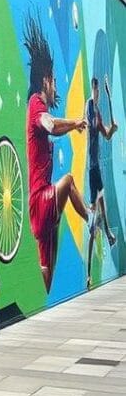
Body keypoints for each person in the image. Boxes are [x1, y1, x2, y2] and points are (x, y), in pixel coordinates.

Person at [23, 14, 92, 292]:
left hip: (42, 211)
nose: (55, 86)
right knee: (69, 182)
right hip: (40, 201)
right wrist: (75, 122)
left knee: (46, 277)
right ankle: (91, 217)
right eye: (53, 80)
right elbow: (49, 125)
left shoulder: (40, 105)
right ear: (44, 80)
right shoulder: (35, 104)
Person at [86, 75, 119, 285]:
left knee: (102, 202)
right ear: (93, 89)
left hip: (97, 168)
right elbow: (92, 125)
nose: (96, 94)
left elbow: (106, 134)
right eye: (95, 90)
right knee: (93, 224)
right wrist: (105, 125)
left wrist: (112, 129)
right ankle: (106, 234)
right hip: (92, 169)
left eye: (98, 91)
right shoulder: (90, 107)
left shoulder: (96, 111)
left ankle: (107, 234)